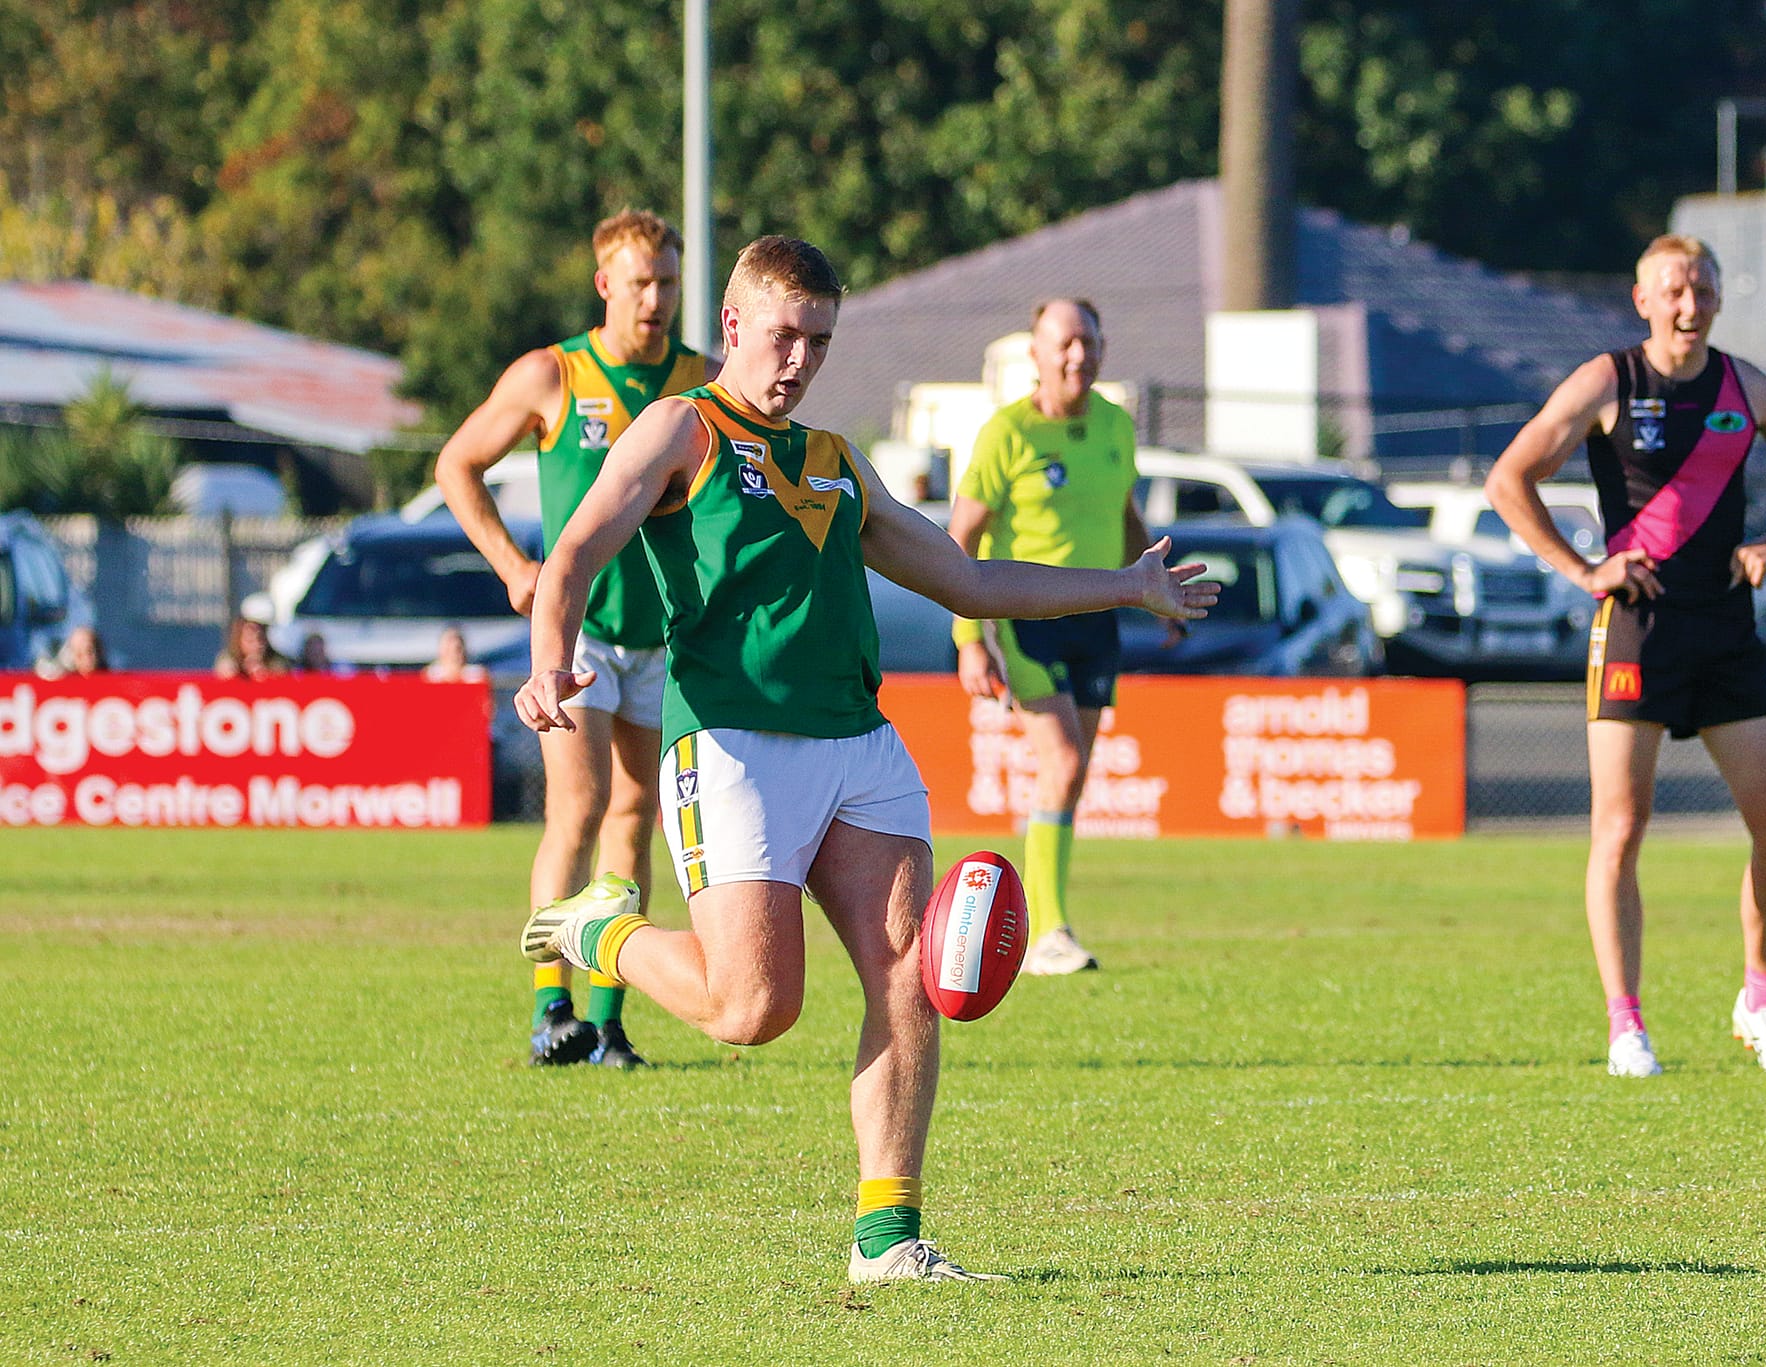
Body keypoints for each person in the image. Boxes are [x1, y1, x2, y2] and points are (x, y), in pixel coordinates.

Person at [513, 236, 1216, 1282]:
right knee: (752, 1010)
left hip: (861, 746)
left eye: (819, 340)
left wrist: (1126, 585)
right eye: (783, 334)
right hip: (731, 746)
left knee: (907, 979)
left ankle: (885, 1238)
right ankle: (597, 927)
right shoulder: (680, 428)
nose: (797, 360)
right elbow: (571, 551)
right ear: (736, 326)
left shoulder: (835, 462)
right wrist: (547, 661)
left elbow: (967, 580)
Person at [1484, 233, 1766, 1079]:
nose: (1689, 306)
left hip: (1726, 631)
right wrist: (1583, 569)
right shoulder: (1608, 381)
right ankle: (1627, 1026)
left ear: (1720, 299)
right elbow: (1509, 480)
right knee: (1620, 828)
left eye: (1703, 289)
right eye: (1674, 291)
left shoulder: (1744, 386)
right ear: (1642, 300)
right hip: (1635, 630)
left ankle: (1761, 1001)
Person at [437, 208, 718, 1069]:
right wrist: (513, 565)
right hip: (582, 634)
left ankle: (607, 1021)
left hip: (664, 636)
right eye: (643, 282)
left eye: (670, 281)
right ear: (606, 285)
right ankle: (549, 1004)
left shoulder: (698, 379)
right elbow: (456, 465)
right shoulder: (555, 375)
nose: (659, 298)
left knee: (639, 819)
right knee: (579, 808)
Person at [946, 298, 1160, 976]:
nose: (1078, 355)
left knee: (1071, 777)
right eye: (1064, 343)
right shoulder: (1005, 433)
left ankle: (1044, 914)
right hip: (1025, 617)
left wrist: (1160, 593)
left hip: (1098, 615)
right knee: (1062, 763)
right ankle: (1046, 932)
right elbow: (961, 536)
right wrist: (968, 638)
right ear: (1035, 354)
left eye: (1089, 342)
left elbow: (1126, 514)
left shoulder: (1116, 426)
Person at [214, 615, 288, 680]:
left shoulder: (276, 661)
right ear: (239, 640)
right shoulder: (228, 659)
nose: (257, 645)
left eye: (261, 639)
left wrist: (267, 675)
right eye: (250, 641)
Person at [37, 625, 107, 679]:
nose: (86, 658)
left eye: (89, 651)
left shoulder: (112, 680)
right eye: (79, 654)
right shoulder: (64, 687)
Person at [422, 626, 487, 683]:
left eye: (458, 649)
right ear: (440, 651)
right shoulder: (429, 678)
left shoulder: (478, 677)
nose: (453, 655)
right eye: (448, 649)